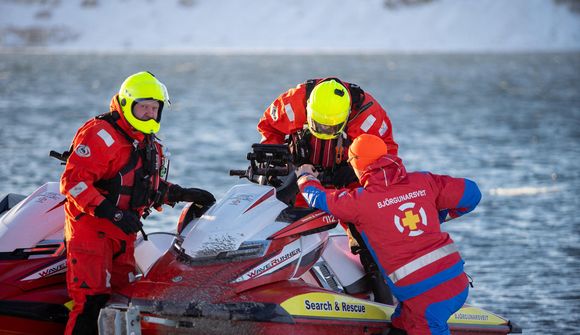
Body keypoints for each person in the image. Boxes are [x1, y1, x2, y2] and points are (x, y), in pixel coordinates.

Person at [59, 71, 215, 335]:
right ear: (127, 104)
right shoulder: (101, 135)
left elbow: (143, 187)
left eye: (154, 108)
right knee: (91, 301)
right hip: (91, 232)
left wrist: (182, 193)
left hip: (124, 235)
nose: (149, 114)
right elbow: (74, 183)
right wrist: (114, 214)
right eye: (143, 107)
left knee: (125, 300)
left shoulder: (145, 141)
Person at [295, 134, 482, 335]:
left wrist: (305, 176)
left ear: (357, 165)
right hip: (456, 281)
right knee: (400, 323)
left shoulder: (361, 202)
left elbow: (318, 198)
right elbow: (472, 194)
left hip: (425, 299)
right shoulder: (423, 181)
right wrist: (438, 217)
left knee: (422, 323)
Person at [257, 77, 399, 192]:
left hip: (349, 185)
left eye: (330, 127)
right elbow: (269, 127)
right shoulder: (292, 104)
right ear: (308, 109)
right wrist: (275, 162)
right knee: (284, 217)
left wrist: (357, 172)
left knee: (367, 216)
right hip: (299, 176)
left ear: (347, 115)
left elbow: (387, 154)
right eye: (319, 124)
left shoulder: (369, 116)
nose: (323, 131)